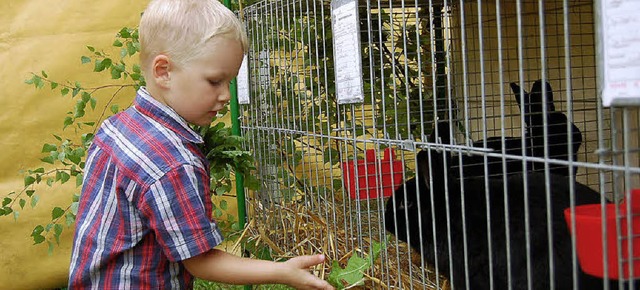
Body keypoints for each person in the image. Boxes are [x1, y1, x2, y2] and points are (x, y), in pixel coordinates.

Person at [67, 0, 334, 289]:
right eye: (214, 81)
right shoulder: (173, 162)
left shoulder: (117, 127)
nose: (225, 96)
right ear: (164, 71)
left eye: (229, 82)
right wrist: (282, 271)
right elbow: (200, 260)